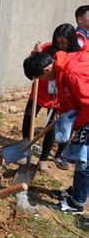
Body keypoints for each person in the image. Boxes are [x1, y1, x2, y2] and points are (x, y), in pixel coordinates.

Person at [23, 43, 89, 214]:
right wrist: (62, 111)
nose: (43, 82)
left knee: (84, 161)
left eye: (41, 78)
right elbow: (71, 95)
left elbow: (87, 104)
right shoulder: (62, 68)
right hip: (84, 112)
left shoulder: (72, 72)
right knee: (81, 156)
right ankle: (74, 193)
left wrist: (77, 125)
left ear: (46, 70)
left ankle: (77, 204)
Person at [23, 24, 80, 172]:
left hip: (57, 97)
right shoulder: (47, 48)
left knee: (51, 127)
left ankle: (43, 159)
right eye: (58, 42)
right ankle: (24, 150)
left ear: (71, 41)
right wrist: (35, 53)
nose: (60, 46)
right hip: (39, 92)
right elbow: (33, 65)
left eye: (64, 42)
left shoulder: (75, 56)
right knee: (29, 118)